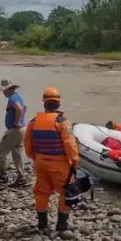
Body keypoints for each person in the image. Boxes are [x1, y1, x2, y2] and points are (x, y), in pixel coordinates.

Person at [24, 87, 80, 232]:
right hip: (59, 163)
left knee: (41, 192)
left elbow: (27, 145)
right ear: (59, 103)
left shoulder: (33, 122)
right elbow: (70, 144)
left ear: (44, 103)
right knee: (66, 192)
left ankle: (42, 224)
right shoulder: (63, 122)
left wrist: (36, 158)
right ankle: (62, 225)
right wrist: (74, 161)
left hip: (40, 162)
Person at [0, 79, 28, 187]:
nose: (3, 93)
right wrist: (21, 120)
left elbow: (19, 108)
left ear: (8, 89)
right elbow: (24, 107)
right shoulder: (18, 96)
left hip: (14, 130)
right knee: (17, 153)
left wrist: (17, 122)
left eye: (3, 90)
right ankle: (22, 177)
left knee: (0, 153)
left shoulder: (12, 98)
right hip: (22, 129)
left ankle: (3, 175)